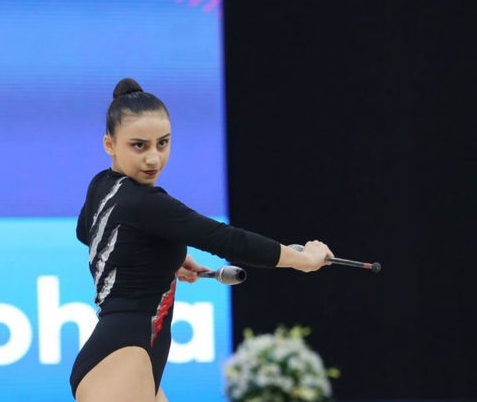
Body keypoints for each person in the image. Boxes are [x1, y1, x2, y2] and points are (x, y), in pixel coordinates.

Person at [70, 78, 334, 402]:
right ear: (109, 144)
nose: (153, 158)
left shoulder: (102, 185)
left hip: (125, 356)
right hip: (123, 358)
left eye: (162, 143)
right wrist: (303, 260)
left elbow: (88, 232)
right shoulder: (146, 203)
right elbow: (226, 240)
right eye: (139, 146)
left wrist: (164, 259)